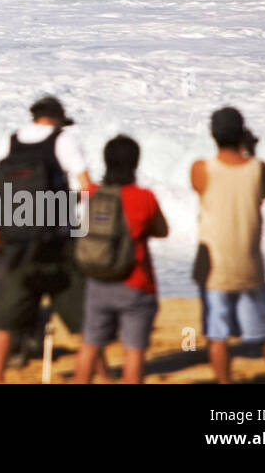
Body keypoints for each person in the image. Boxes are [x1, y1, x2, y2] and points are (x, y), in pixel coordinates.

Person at [0, 95, 93, 383]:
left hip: (18, 241)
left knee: (7, 317)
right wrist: (76, 220)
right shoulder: (63, 139)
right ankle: (101, 376)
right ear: (58, 117)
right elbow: (85, 186)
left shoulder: (9, 141)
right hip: (57, 243)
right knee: (83, 318)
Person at [191, 107, 265, 383]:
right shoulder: (259, 169)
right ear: (242, 134)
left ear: (213, 134)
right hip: (249, 265)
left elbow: (201, 188)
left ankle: (224, 381)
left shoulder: (201, 169)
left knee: (217, 335)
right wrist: (251, 152)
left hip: (214, 266)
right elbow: (264, 192)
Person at [73, 135, 168, 384]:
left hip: (98, 281)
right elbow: (162, 230)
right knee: (133, 352)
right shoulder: (144, 197)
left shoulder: (93, 193)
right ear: (135, 163)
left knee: (90, 346)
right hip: (135, 282)